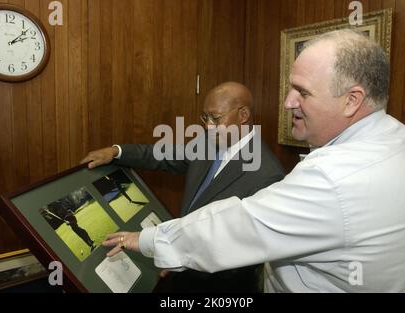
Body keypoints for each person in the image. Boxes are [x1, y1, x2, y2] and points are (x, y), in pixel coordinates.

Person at [101, 29, 405, 292]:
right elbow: (168, 156)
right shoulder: (403, 140)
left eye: (302, 92)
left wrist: (147, 240)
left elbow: (237, 226)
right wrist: (116, 151)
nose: (288, 102)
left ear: (352, 100)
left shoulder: (329, 176)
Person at [81, 82, 285, 292]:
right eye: (205, 118)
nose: (208, 126)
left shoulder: (267, 175)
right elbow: (164, 156)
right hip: (184, 271)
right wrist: (116, 151)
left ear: (243, 116)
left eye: (216, 118)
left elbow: (240, 248)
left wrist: (178, 254)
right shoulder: (209, 141)